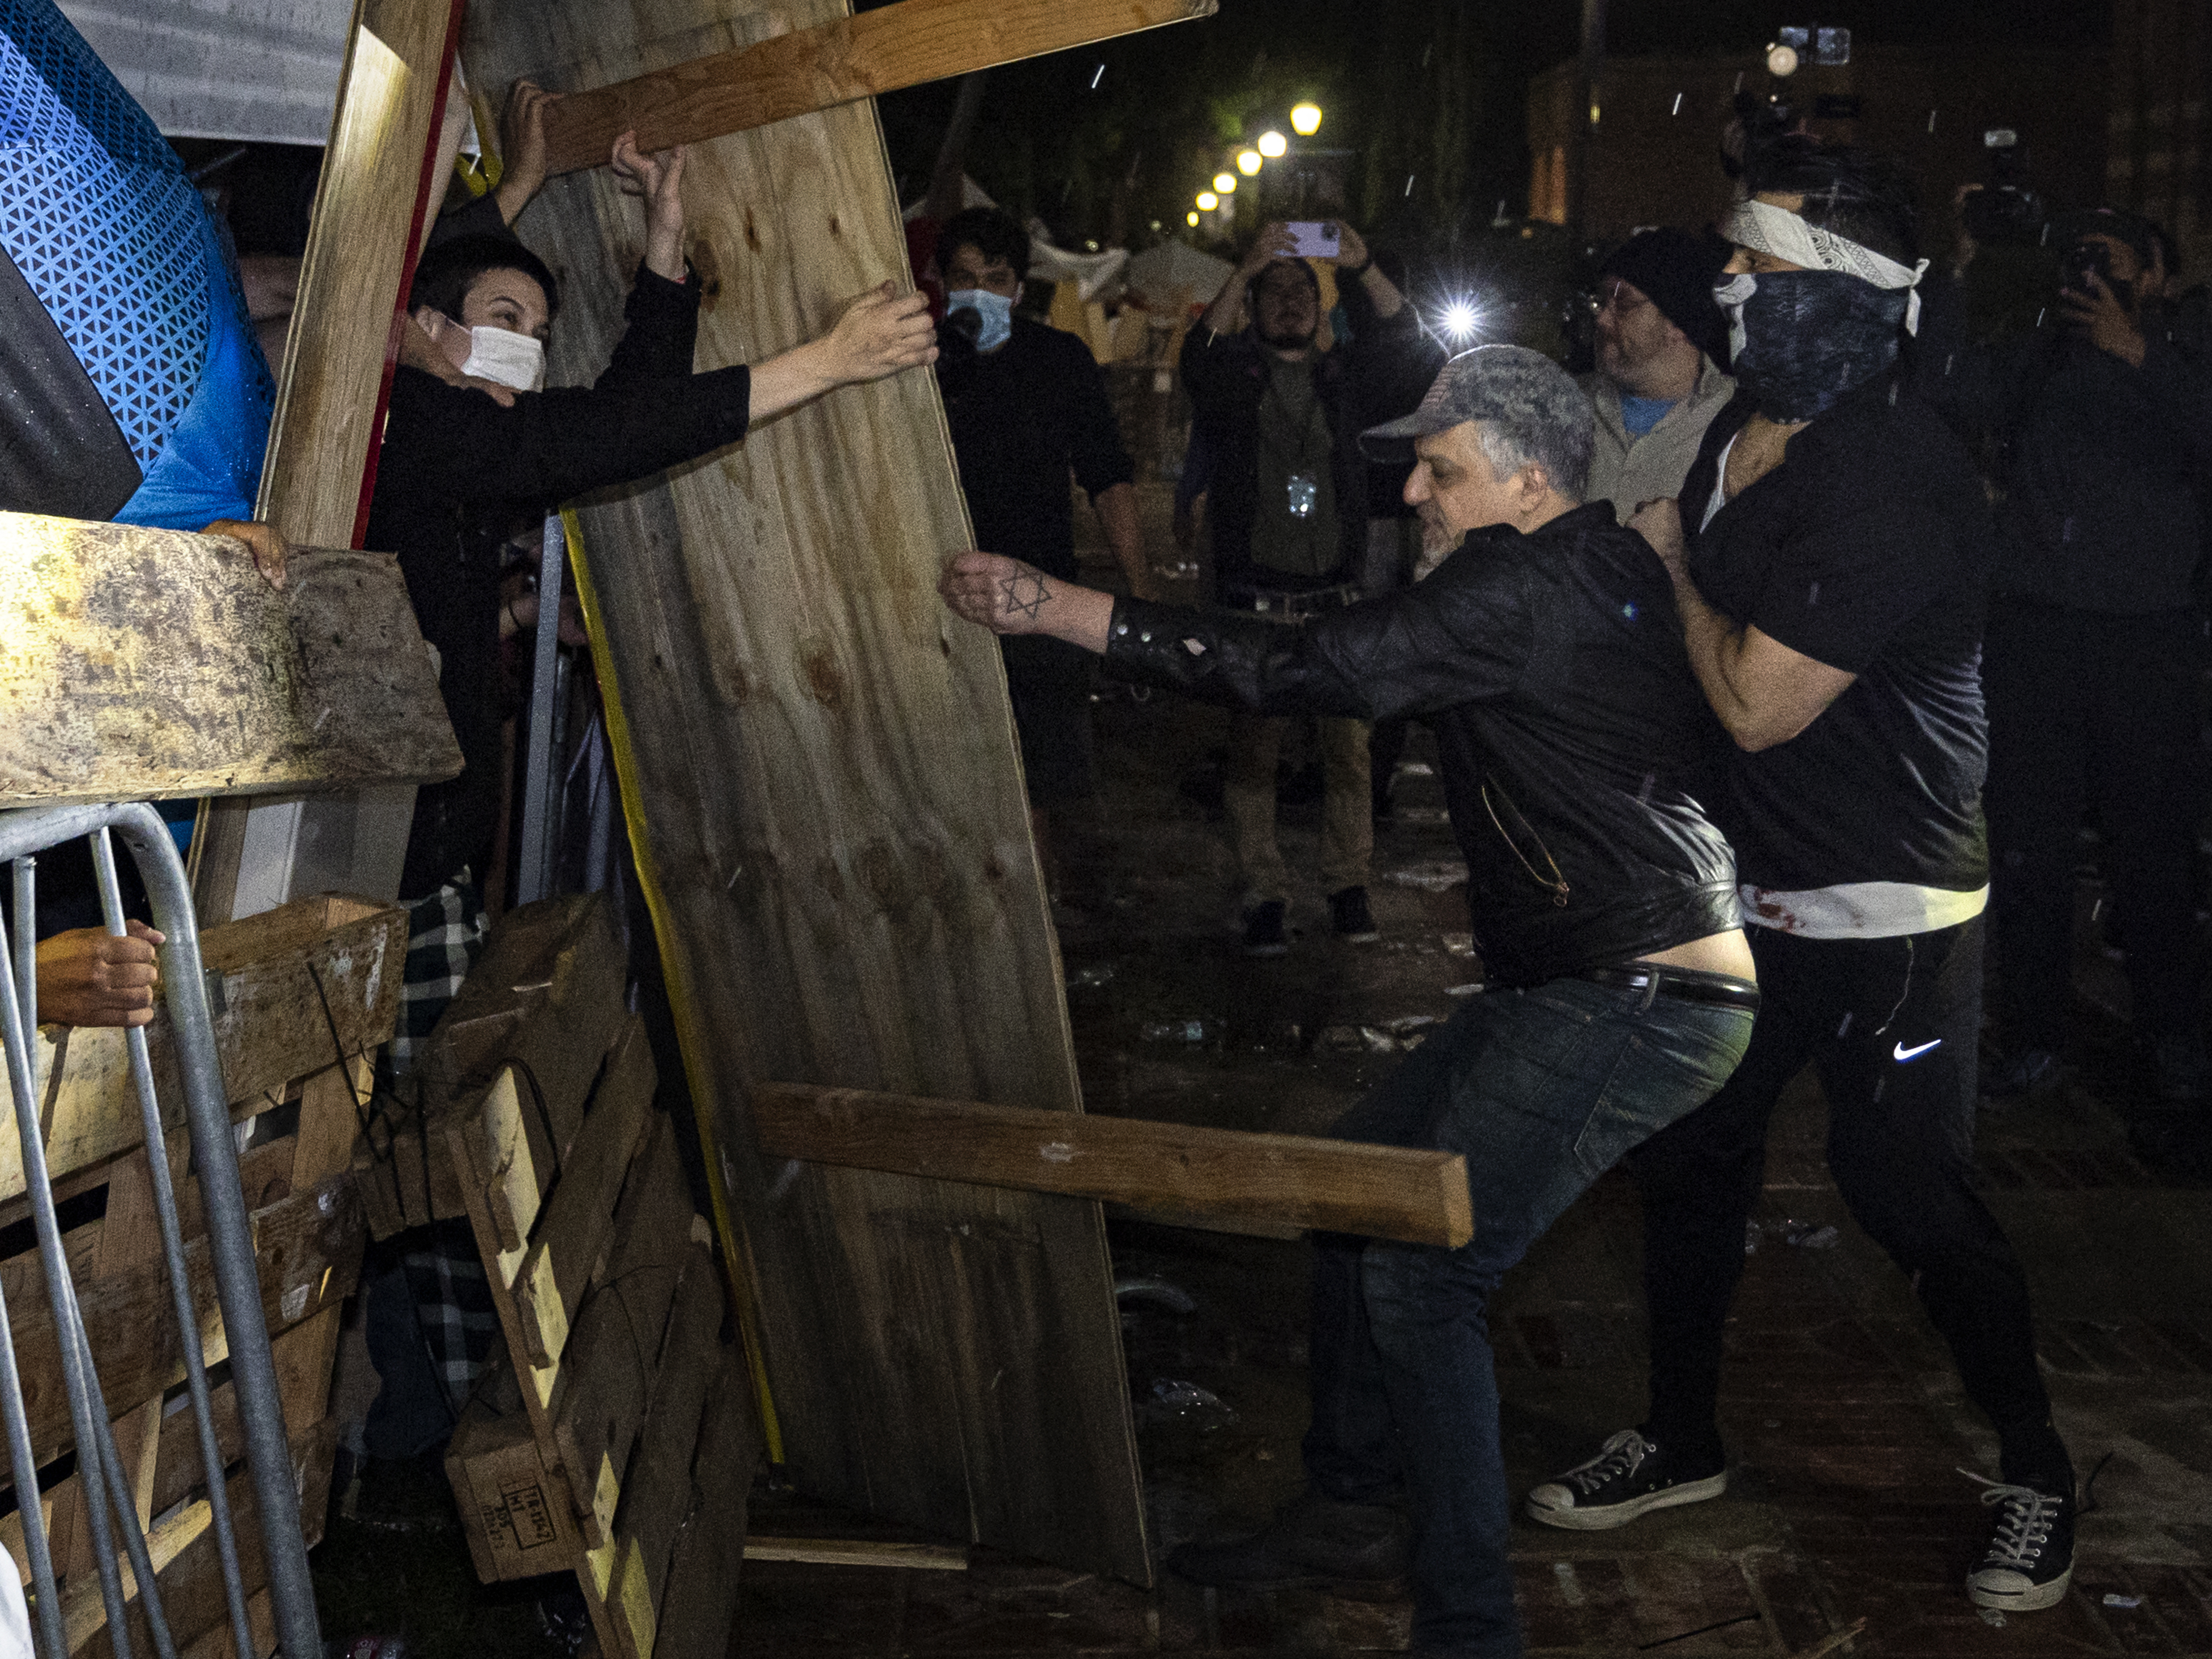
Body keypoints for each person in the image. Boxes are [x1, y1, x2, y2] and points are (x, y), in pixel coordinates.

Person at [943, 345, 1758, 1659]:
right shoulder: (1589, 559)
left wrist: (1062, 608)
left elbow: (1299, 668)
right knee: (1355, 1188)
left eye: (1443, 470)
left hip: (1636, 996)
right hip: (1605, 977)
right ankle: (1346, 1504)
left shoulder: (1525, 580)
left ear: (1530, 476)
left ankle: (1468, 1628)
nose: (1415, 496)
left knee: (1424, 1278)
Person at [1530, 138, 2079, 1618]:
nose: (1721, 280)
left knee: (1898, 1188)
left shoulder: (1891, 466)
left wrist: (1671, 571)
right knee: (1691, 1158)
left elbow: (1761, 698)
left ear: (1837, 291)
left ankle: (2036, 1466)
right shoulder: (1741, 422)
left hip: (1881, 905)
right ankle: (1685, 1434)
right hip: (1747, 884)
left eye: (1750, 261)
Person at [1920, 204, 2212, 1113]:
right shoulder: (2041, 356)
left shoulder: (2185, 359)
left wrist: (2138, 351)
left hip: (2145, 638)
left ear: (2157, 278)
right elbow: (1953, 391)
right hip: (2036, 634)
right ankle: (2035, 1037)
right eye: (2080, 260)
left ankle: (2170, 1037)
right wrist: (1947, 282)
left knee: (2151, 851)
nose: (2091, 278)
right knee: (2028, 852)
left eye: (2114, 263)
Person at [1183, 221, 1438, 954]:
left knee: (1347, 754)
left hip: (1335, 602)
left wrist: (1359, 267)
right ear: (1256, 305)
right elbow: (1197, 361)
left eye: (1302, 290)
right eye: (1275, 291)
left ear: (1323, 306)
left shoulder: (1343, 379)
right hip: (1254, 601)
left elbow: (1407, 349)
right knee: (1253, 754)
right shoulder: (1238, 380)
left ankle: (1346, 882)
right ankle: (1262, 890)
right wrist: (1245, 266)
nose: (1289, 302)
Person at [933, 204, 1150, 904]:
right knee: (950, 774)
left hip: (1039, 598)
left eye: (995, 279)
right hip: (938, 598)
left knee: (1041, 782)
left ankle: (1037, 921)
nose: (980, 292)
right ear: (941, 283)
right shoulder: (920, 363)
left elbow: (1107, 479)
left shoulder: (1058, 361)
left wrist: (1136, 595)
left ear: (1019, 289)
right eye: (964, 278)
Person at [1577, 228, 1736, 521]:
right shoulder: (1567, 405)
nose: (1602, 318)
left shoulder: (1733, 420)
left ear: (1679, 323)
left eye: (1624, 304)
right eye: (1601, 301)